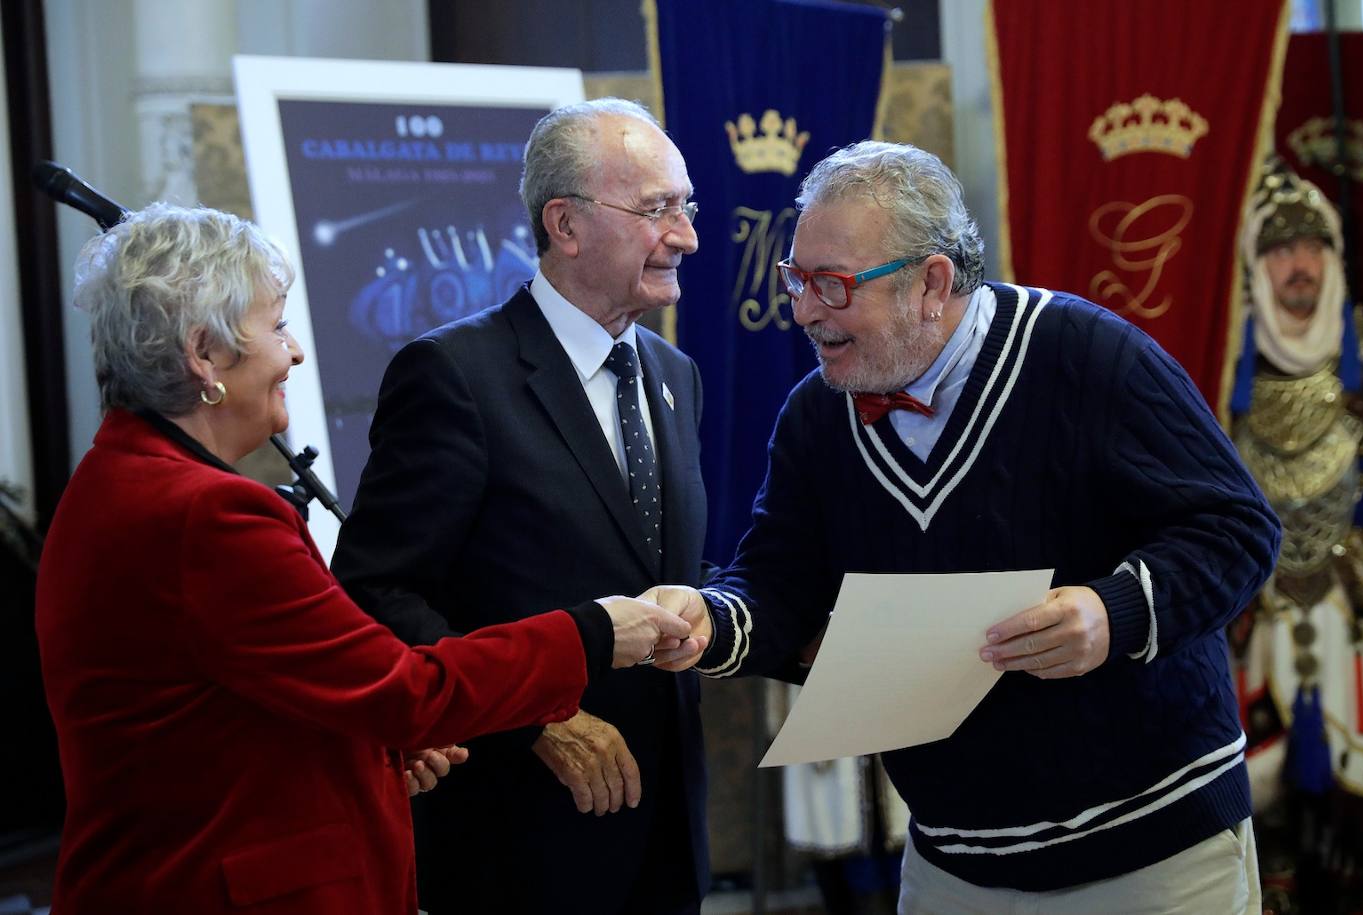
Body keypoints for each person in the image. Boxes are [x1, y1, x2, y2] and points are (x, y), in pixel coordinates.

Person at [655, 141, 1282, 913]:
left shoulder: (1086, 353)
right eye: (797, 278)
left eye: (833, 284)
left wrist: (1111, 611)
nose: (806, 310)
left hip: (1155, 850)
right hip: (952, 863)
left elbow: (1238, 528)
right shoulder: (816, 418)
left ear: (931, 282)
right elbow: (778, 585)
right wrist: (708, 619)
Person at [34, 202, 696, 914]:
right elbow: (405, 692)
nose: (295, 352)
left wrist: (368, 755)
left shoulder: (114, 478)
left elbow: (221, 710)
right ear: (204, 353)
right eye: (276, 325)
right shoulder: (210, 517)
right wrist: (591, 633)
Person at [331, 98, 711, 914]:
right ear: (564, 224)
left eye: (686, 206)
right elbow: (376, 590)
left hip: (664, 837)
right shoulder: (454, 376)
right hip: (519, 841)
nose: (685, 235)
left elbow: (654, 563)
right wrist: (535, 713)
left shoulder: (675, 375)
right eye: (656, 209)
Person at [1227, 156, 1363, 913]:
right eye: (1281, 249)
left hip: (1358, 617)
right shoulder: (1223, 372)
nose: (1299, 265)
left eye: (1313, 245)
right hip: (1258, 622)